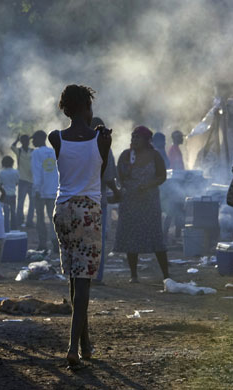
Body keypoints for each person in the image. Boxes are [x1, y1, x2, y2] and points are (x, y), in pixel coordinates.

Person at [48, 84, 111, 367]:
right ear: (87, 107)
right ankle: (73, 346)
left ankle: (85, 344)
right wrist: (104, 142)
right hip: (88, 210)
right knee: (83, 280)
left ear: (65, 108)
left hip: (62, 210)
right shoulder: (100, 140)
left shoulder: (55, 137)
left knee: (74, 276)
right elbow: (101, 171)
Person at [114, 126, 169, 283]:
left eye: (138, 137)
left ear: (147, 140)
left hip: (149, 202)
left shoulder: (154, 155)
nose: (134, 140)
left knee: (155, 236)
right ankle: (134, 275)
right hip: (130, 202)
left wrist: (148, 185)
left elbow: (162, 176)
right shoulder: (126, 155)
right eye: (133, 137)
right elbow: (120, 176)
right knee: (132, 238)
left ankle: (166, 274)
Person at [90, 117, 119, 284]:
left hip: (80, 199)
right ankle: (96, 276)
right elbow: (109, 177)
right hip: (99, 200)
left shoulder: (80, 146)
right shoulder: (105, 148)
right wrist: (116, 192)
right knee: (98, 239)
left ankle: (83, 275)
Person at [31, 130, 59, 252]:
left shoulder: (36, 153)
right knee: (53, 218)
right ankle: (56, 243)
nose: (32, 141)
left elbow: (37, 172)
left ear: (40, 139)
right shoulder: (53, 152)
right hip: (53, 190)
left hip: (41, 191)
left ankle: (42, 243)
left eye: (34, 139)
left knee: (41, 219)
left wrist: (36, 188)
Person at [12, 134, 35, 228]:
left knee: (32, 202)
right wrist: (16, 139)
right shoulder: (19, 151)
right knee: (21, 201)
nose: (26, 142)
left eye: (27, 140)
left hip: (32, 180)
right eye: (23, 141)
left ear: (29, 141)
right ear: (21, 142)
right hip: (22, 179)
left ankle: (29, 221)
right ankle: (19, 221)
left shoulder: (33, 151)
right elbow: (12, 146)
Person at [0, 155, 19, 232]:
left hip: (4, 195)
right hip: (13, 195)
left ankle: (6, 228)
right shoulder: (16, 172)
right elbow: (17, 183)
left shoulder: (2, 172)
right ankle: (14, 228)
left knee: (6, 213)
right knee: (13, 212)